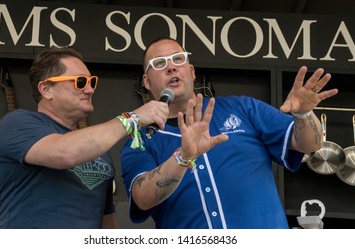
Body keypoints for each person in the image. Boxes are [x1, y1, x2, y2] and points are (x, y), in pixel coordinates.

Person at [120, 37, 339, 229]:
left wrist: (304, 114)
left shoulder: (243, 108)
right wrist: (182, 158)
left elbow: (310, 144)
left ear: (192, 71)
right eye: (159, 64)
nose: (171, 68)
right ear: (146, 82)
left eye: (178, 59)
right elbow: (142, 199)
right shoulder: (139, 141)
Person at [0, 46, 169, 229]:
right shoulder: (16, 123)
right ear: (46, 89)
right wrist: (132, 118)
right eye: (80, 82)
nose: (90, 89)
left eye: (92, 82)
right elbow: (64, 153)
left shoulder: (99, 151)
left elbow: (106, 221)